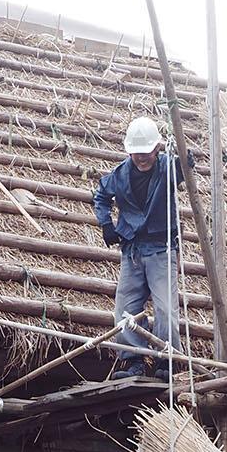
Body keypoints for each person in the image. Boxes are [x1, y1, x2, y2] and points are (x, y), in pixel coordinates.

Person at [93, 115, 190, 378]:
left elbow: (185, 169)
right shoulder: (120, 174)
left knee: (165, 308)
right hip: (132, 251)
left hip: (161, 248)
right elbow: (101, 196)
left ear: (156, 148)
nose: (142, 158)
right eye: (136, 153)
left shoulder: (168, 168)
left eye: (146, 152)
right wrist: (106, 224)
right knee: (125, 308)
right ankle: (133, 361)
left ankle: (165, 361)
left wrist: (184, 158)